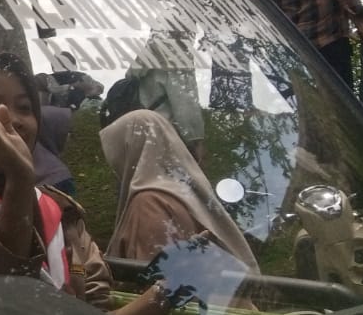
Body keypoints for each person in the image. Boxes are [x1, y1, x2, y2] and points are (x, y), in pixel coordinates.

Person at [0, 53, 171, 315]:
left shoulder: (60, 210)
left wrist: (172, 287)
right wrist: (19, 181)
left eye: (25, 107)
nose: (13, 120)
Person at [101, 109, 259, 271]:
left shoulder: (149, 203)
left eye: (116, 151)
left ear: (130, 150)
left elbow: (157, 281)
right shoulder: (183, 190)